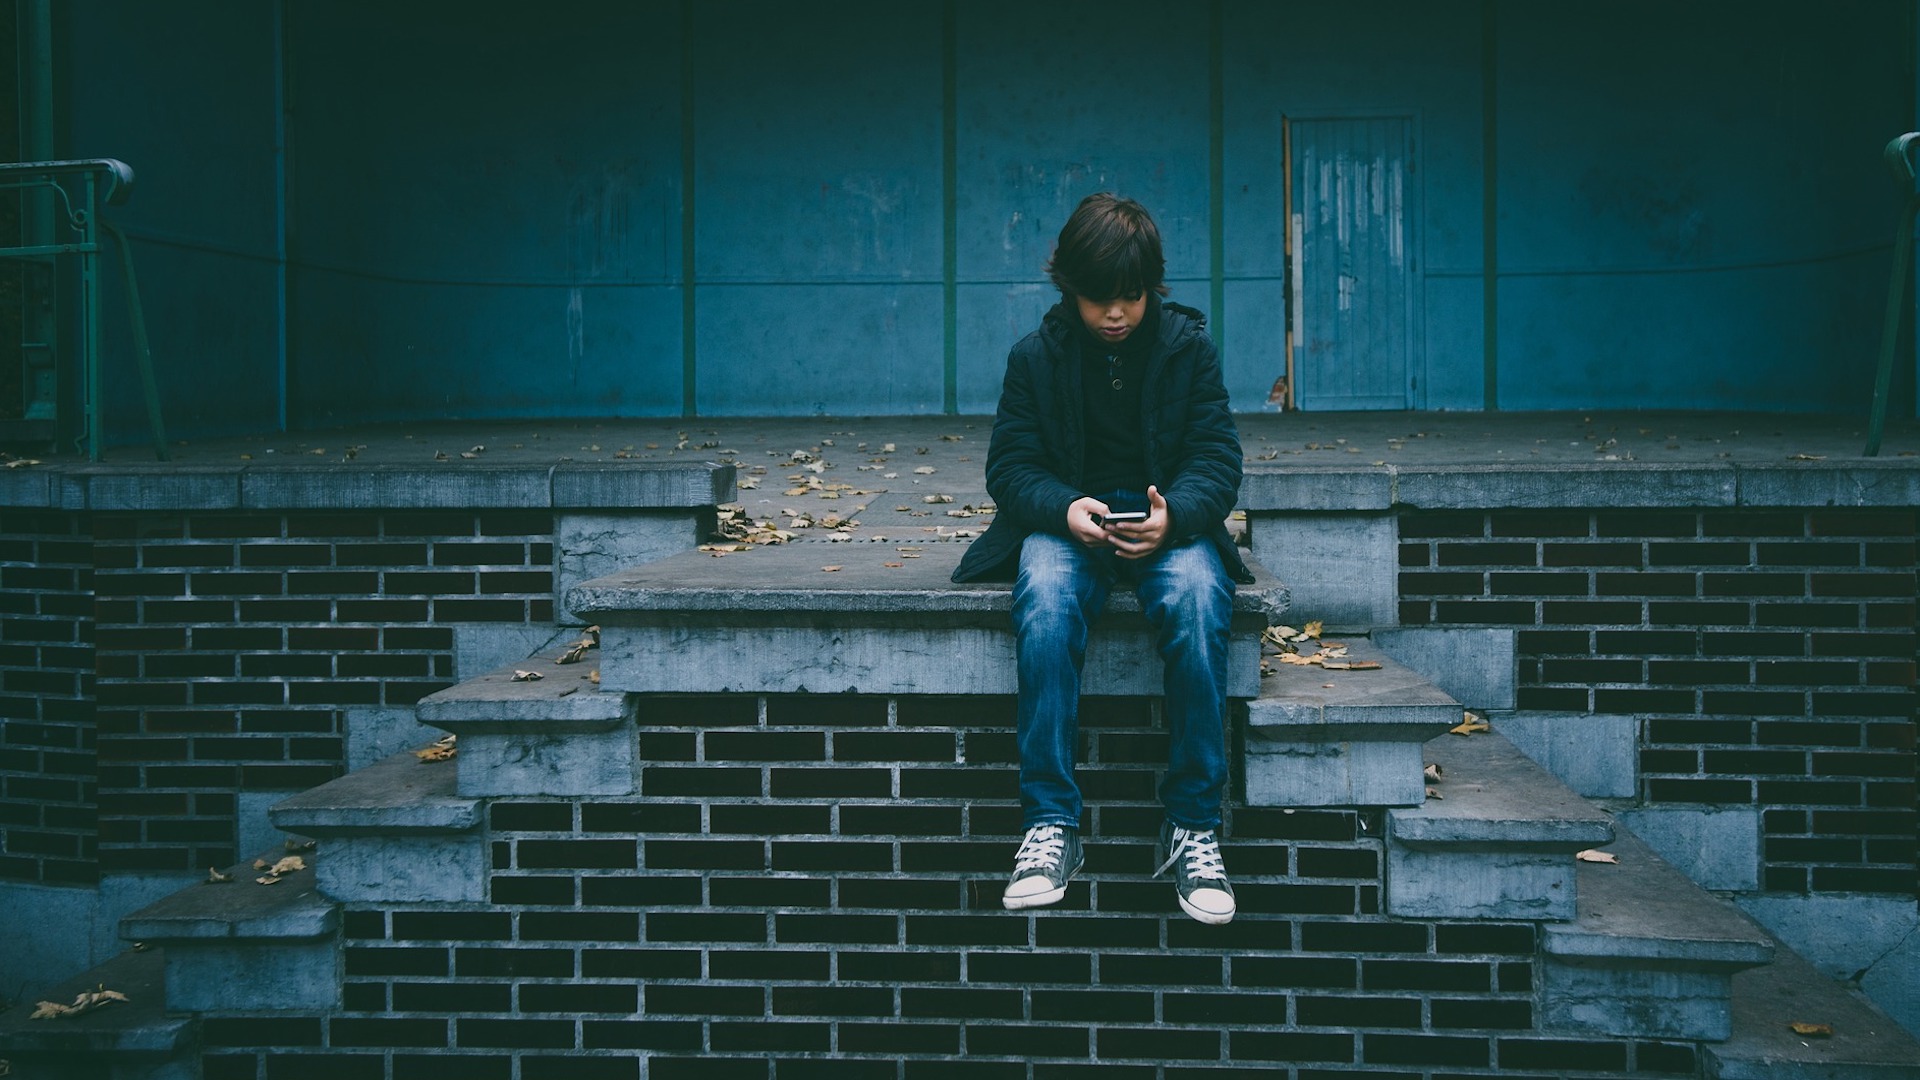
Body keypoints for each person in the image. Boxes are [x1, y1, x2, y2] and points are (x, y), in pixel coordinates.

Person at [951, 192, 1252, 925]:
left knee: (1195, 599)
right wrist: (1062, 508)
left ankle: (1193, 827)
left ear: (1152, 289)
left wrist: (1174, 515)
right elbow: (1011, 466)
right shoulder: (1035, 358)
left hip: (1167, 523)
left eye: (1131, 297)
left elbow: (1218, 458)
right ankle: (1049, 825)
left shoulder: (1188, 350)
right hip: (1068, 522)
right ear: (1068, 288)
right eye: (1098, 299)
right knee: (1046, 597)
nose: (1115, 314)